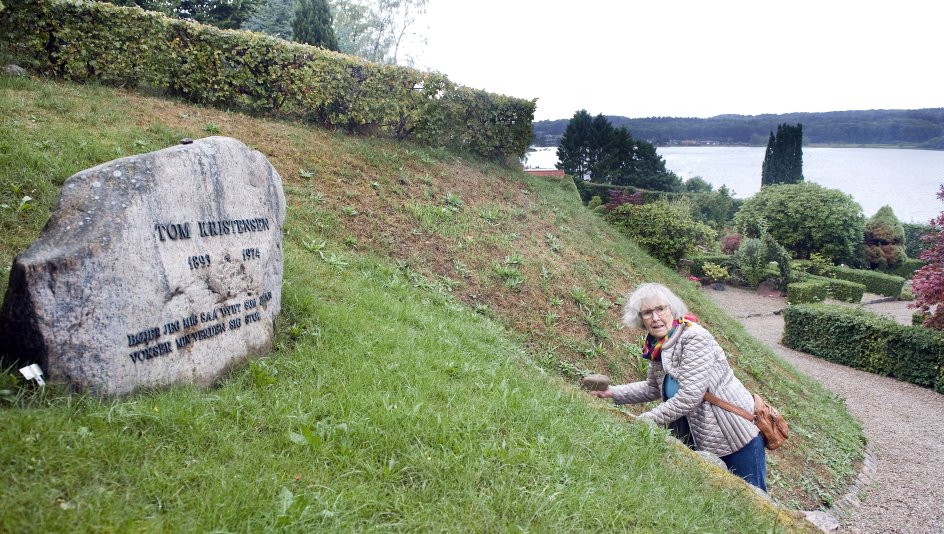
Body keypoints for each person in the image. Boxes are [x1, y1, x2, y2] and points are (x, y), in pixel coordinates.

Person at [590, 282, 767, 491]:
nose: (655, 318)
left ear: (672, 309)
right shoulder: (659, 345)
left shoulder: (694, 337)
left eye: (660, 309)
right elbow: (653, 388)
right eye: (647, 313)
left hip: (733, 435)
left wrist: (647, 419)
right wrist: (612, 392)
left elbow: (690, 395)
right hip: (701, 436)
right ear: (641, 319)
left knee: (752, 503)